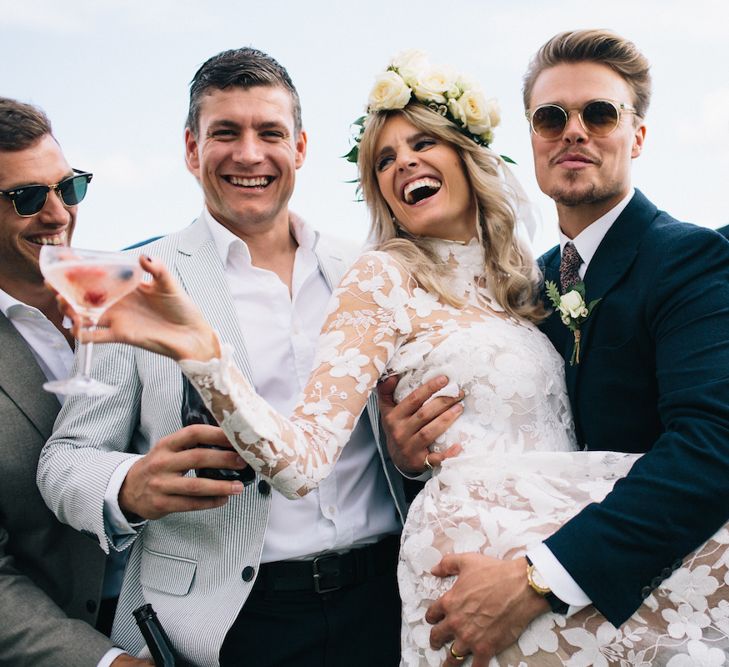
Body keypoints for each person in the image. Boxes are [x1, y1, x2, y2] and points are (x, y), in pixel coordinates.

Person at [58, 46, 729, 665]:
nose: (402, 162)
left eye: (421, 142)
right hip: (418, 581)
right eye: (383, 158)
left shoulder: (533, 280)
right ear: (190, 148)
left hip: (525, 563)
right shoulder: (378, 276)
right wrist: (201, 352)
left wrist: (403, 455)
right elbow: (302, 460)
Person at [38, 48, 408, 667]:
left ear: (301, 146)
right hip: (227, 626)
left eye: (270, 132)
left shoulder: (371, 270)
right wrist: (128, 485)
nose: (249, 154)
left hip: (386, 604)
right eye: (225, 133)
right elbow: (63, 461)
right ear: (191, 149)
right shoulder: (137, 283)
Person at [376, 31, 729, 665]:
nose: (574, 131)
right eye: (551, 117)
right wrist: (411, 454)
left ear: (637, 136)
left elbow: (714, 446)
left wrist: (541, 577)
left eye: (599, 113)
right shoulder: (524, 288)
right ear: (533, 140)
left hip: (656, 606)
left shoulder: (689, 259)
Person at [0, 98, 151, 667]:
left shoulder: (142, 289)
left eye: (70, 187)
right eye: (28, 198)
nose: (59, 214)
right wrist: (105, 663)